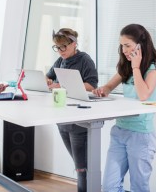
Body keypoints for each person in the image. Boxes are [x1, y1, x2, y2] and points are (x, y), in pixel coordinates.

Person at [92, 24, 156, 192]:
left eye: (128, 45)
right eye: (122, 45)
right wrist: (103, 90)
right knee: (109, 187)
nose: (124, 50)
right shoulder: (125, 66)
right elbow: (109, 86)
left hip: (141, 135)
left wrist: (136, 66)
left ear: (140, 45)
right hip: (120, 131)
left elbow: (144, 95)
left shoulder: (154, 68)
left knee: (139, 187)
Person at [46, 28, 98, 192]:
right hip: (63, 119)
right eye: (57, 47)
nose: (60, 51)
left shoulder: (85, 60)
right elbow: (49, 77)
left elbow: (91, 86)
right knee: (79, 165)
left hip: (79, 122)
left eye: (64, 47)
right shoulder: (60, 61)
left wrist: (61, 85)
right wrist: (47, 82)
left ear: (74, 44)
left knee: (81, 168)